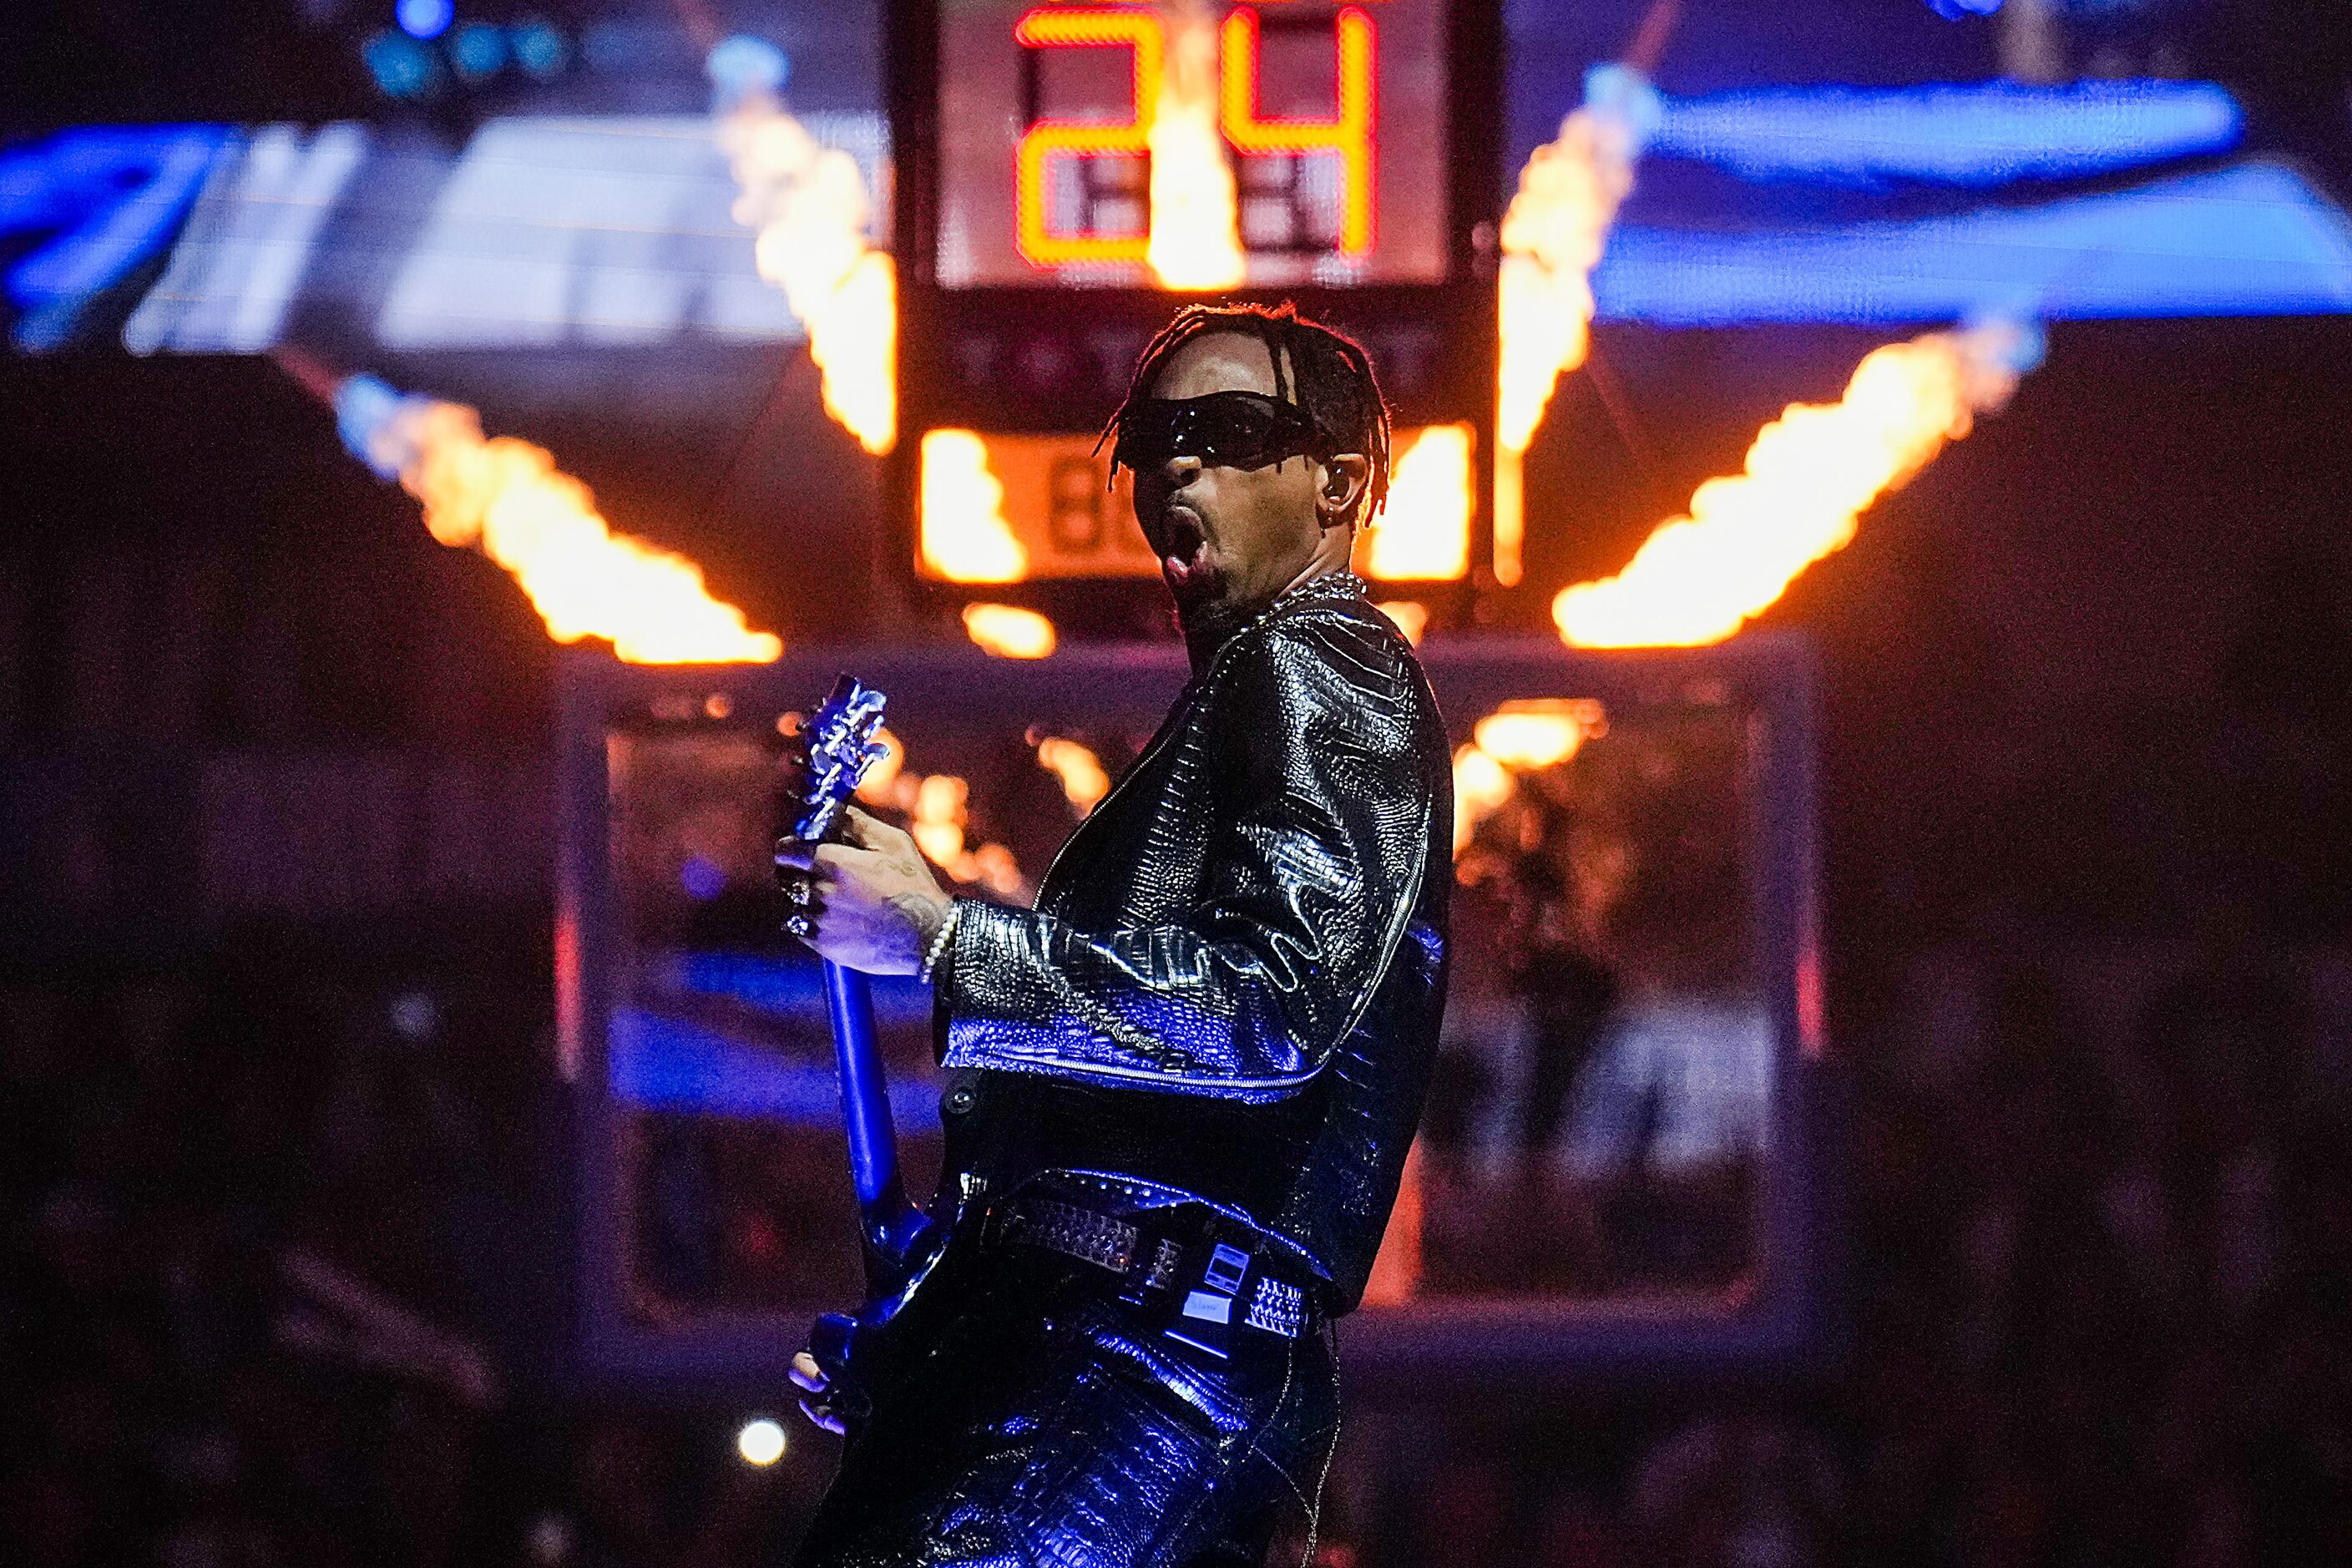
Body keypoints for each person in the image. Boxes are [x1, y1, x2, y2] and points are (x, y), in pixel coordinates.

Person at [774, 301, 1452, 1566]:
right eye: (1150, 439)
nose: (1176, 465)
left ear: (1338, 483)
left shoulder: (1324, 658)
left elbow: (1271, 1003)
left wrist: (943, 933)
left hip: (1147, 1356)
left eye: (1231, 431)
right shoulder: (1244, 696)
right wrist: (940, 1328)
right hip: (1117, 1345)